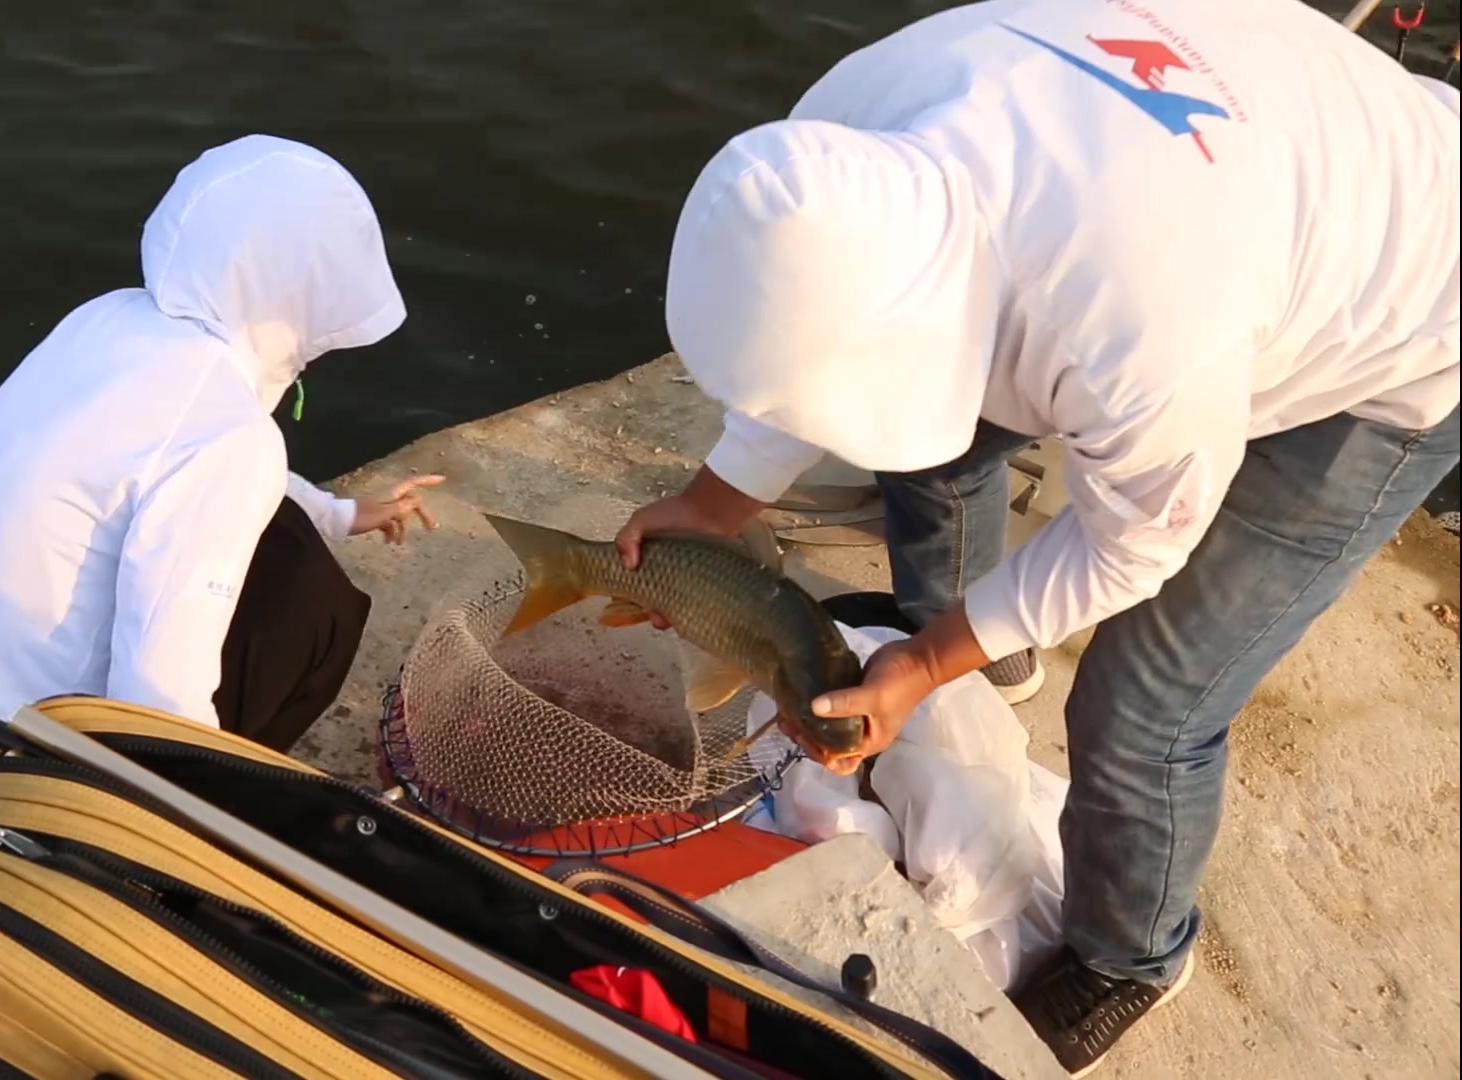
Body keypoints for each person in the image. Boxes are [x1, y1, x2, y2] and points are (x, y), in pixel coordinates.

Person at [613, 0, 1459, 1073]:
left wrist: (918, 664)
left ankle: (1131, 959)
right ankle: (985, 658)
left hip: (1418, 308)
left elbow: (1135, 542)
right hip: (1271, 160)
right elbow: (812, 345)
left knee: (1149, 699)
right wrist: (712, 502)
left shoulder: (1136, 324)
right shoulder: (848, 138)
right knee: (938, 443)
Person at [0, 134, 443, 789]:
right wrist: (183, 818)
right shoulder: (229, 435)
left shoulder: (105, 321)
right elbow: (157, 692)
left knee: (283, 533)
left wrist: (338, 513)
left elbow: (164, 465)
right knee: (315, 606)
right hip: (8, 778)